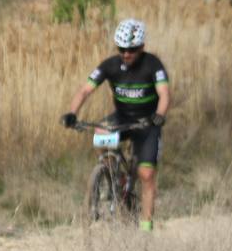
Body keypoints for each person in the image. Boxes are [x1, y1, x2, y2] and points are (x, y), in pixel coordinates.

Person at [60, 18, 170, 231]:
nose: (126, 54)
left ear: (142, 47)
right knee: (100, 133)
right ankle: (112, 175)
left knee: (146, 175)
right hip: (122, 117)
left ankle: (145, 229)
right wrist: (72, 113)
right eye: (121, 49)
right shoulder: (110, 65)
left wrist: (160, 114)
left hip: (147, 122)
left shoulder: (153, 65)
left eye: (132, 49)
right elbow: (85, 90)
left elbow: (164, 94)